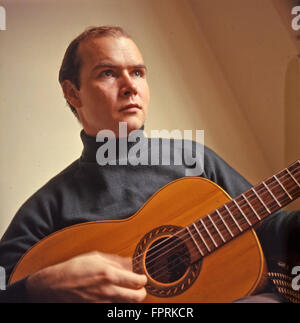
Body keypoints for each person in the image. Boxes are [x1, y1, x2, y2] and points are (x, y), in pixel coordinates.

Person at [0, 26, 299, 303]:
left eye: (138, 73)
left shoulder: (192, 159)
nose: (130, 86)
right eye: (107, 73)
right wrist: (41, 285)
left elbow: (267, 226)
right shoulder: (48, 207)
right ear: (72, 92)